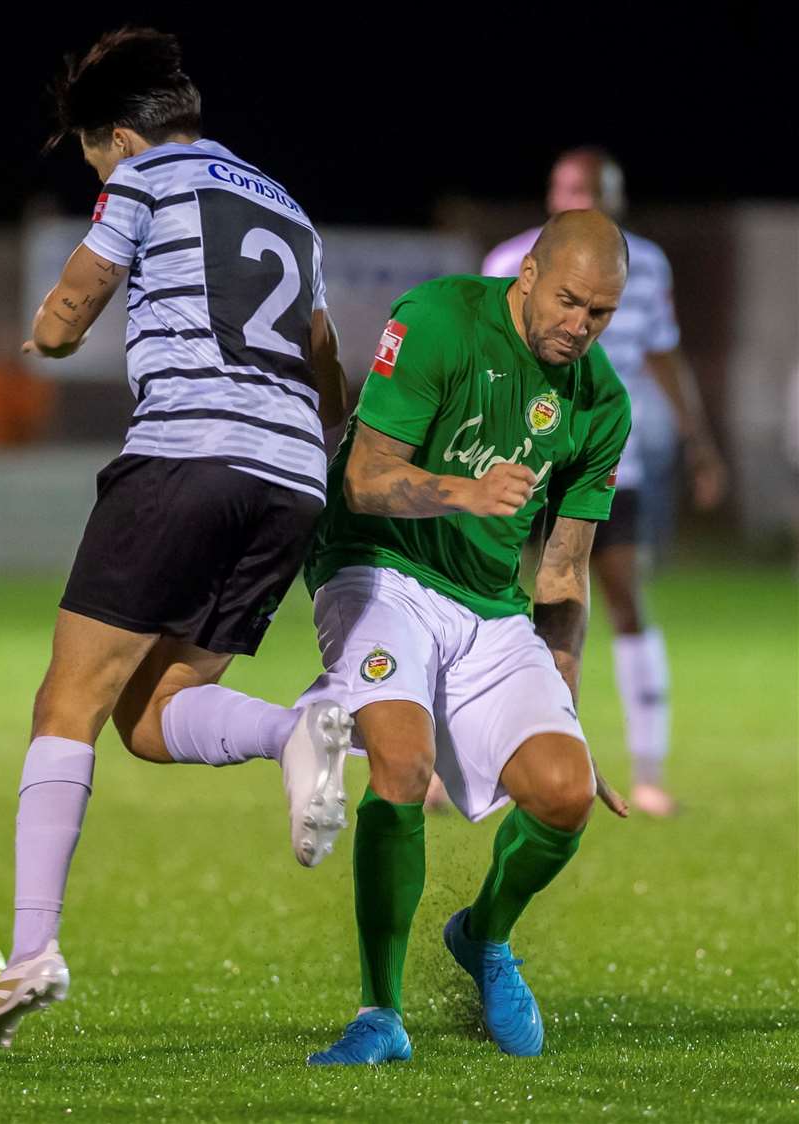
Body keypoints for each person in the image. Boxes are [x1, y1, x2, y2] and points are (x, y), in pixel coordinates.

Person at [0, 28, 351, 1057]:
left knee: (68, 701)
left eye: (94, 157)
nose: (100, 173)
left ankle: (33, 950)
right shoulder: (287, 207)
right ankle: (294, 728)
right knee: (153, 712)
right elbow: (324, 358)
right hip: (290, 477)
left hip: (186, 456)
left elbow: (71, 309)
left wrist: (48, 330)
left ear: (122, 138)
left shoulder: (143, 180)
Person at [296, 209, 632, 1063]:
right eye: (567, 301)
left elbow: (561, 572)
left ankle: (483, 936)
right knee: (400, 765)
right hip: (376, 568)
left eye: (600, 313)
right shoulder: (441, 317)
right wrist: (461, 491)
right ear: (527, 274)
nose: (578, 326)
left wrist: (566, 703)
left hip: (488, 604)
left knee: (564, 791)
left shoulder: (601, 404)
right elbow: (366, 480)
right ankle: (381, 1013)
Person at [459, 148, 727, 818]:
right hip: (517, 462)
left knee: (623, 606)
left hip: (613, 466)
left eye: (588, 190)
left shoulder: (648, 264)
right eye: (563, 188)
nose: (573, 199)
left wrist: (699, 443)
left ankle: (647, 770)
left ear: (615, 198)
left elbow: (664, 356)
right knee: (475, 603)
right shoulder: (508, 260)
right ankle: (451, 764)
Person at [0, 324, 57, 446]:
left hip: (28, 451)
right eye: (3, 341)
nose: (9, 347)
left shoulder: (32, 377)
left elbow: (38, 416)